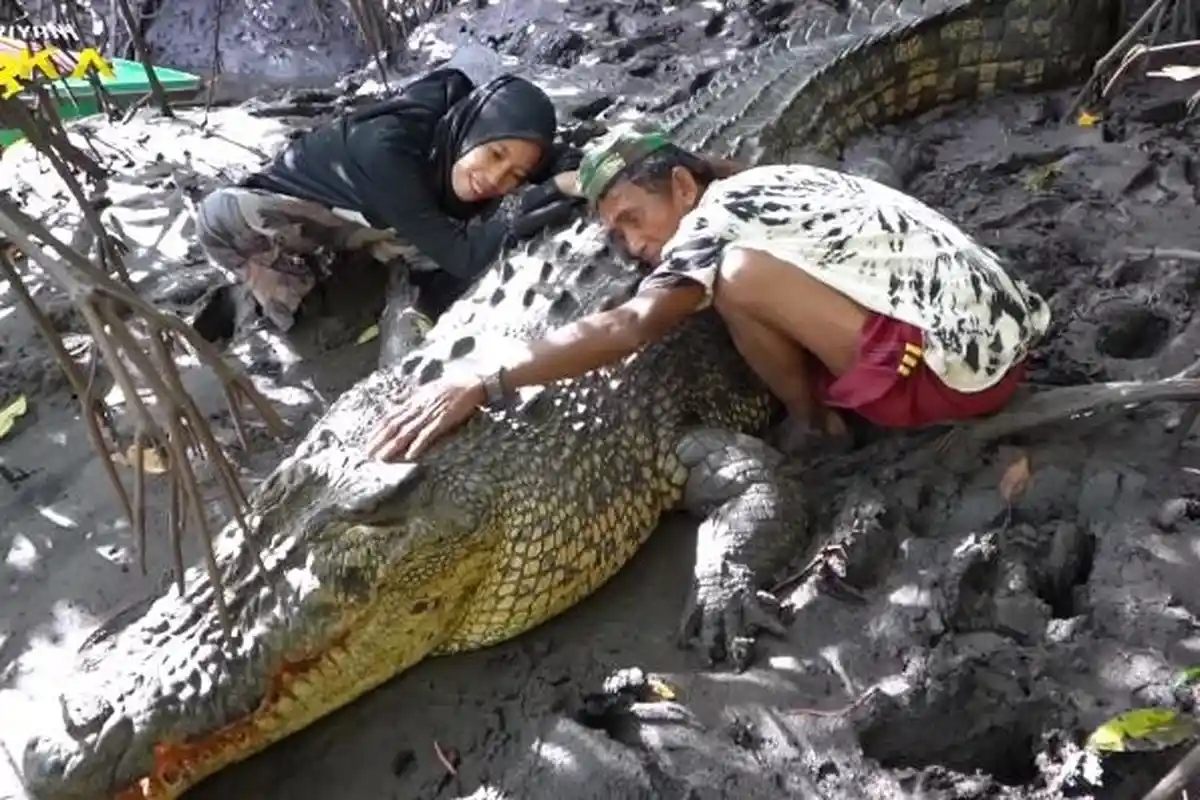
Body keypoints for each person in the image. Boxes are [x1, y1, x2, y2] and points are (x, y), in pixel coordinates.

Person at [366, 122, 1052, 462]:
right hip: (1008, 330)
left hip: (958, 382)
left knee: (737, 278)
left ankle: (817, 426)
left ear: (685, 188)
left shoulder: (711, 220)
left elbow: (632, 325)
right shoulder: (771, 179)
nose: (632, 246)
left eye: (633, 218)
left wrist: (484, 378)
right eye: (615, 233)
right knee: (752, 269)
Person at [193, 67, 580, 343]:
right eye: (495, 154)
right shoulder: (387, 151)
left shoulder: (455, 129)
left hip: (344, 210)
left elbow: (547, 159)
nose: (497, 180)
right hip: (236, 217)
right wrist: (547, 193)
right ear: (472, 128)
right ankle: (246, 298)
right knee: (294, 312)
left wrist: (561, 170)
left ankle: (337, 260)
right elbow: (466, 258)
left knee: (420, 253)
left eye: (515, 174)